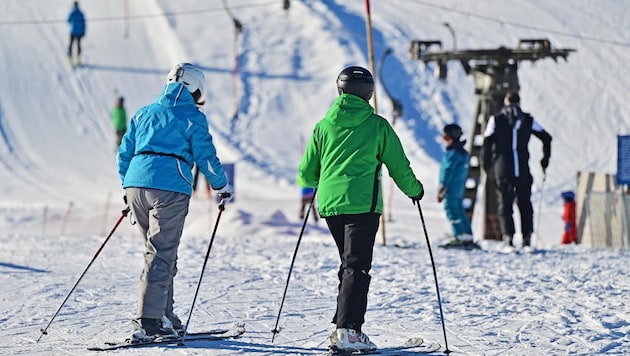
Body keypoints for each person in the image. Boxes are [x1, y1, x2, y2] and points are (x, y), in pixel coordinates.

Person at [298, 66, 424, 352]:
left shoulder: (323, 125)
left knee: (349, 264)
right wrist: (415, 190)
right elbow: (398, 166)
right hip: (362, 206)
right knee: (357, 266)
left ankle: (343, 323)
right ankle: (348, 331)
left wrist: (325, 178)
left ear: (340, 89)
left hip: (330, 206)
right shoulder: (377, 125)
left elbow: (307, 173)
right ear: (369, 93)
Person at [117, 63, 233, 343]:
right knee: (160, 252)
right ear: (195, 88)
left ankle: (164, 315)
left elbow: (124, 152)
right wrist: (221, 185)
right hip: (169, 188)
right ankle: (149, 320)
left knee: (159, 251)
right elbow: (204, 154)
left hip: (136, 186)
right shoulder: (191, 116)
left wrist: (127, 185)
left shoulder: (145, 112)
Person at [482, 91, 552, 248]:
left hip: (503, 169)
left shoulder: (497, 119)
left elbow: (486, 144)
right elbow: (547, 138)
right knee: (525, 203)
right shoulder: (527, 119)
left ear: (505, 102)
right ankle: (527, 237)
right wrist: (544, 160)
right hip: (522, 168)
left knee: (505, 205)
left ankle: (508, 237)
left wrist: (487, 167)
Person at [437, 123, 474, 248]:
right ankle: (467, 235)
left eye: (446, 138)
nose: (444, 142)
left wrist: (442, 187)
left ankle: (459, 236)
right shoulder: (462, 153)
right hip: (458, 188)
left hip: (450, 188)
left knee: (451, 210)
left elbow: (448, 171)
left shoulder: (453, 153)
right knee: (459, 209)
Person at [67, 1, 86, 65]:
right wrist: (83, 32)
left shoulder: (72, 13)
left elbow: (68, 20)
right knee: (78, 45)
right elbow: (84, 24)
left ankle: (70, 60)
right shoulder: (81, 13)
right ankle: (78, 60)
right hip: (79, 33)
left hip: (73, 32)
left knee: (70, 46)